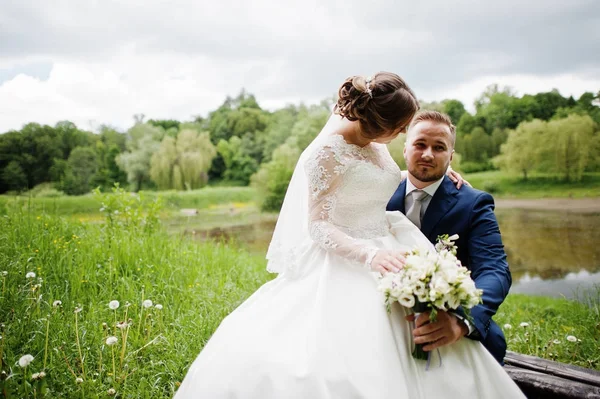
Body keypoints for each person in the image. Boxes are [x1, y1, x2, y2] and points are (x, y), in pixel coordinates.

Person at [174, 72, 525, 398]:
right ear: (381, 126)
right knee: (344, 349)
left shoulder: (377, 146)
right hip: (347, 257)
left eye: (438, 146)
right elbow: (318, 224)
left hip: (389, 242)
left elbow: (373, 180)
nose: (405, 136)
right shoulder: (325, 152)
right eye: (404, 131)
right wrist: (368, 255)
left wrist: (442, 170)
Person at [387, 110, 512, 364]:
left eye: (439, 147)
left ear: (451, 156)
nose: (428, 154)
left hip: (447, 318)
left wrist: (461, 321)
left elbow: (495, 270)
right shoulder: (379, 195)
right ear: (405, 149)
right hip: (385, 321)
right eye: (420, 144)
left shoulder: (473, 204)